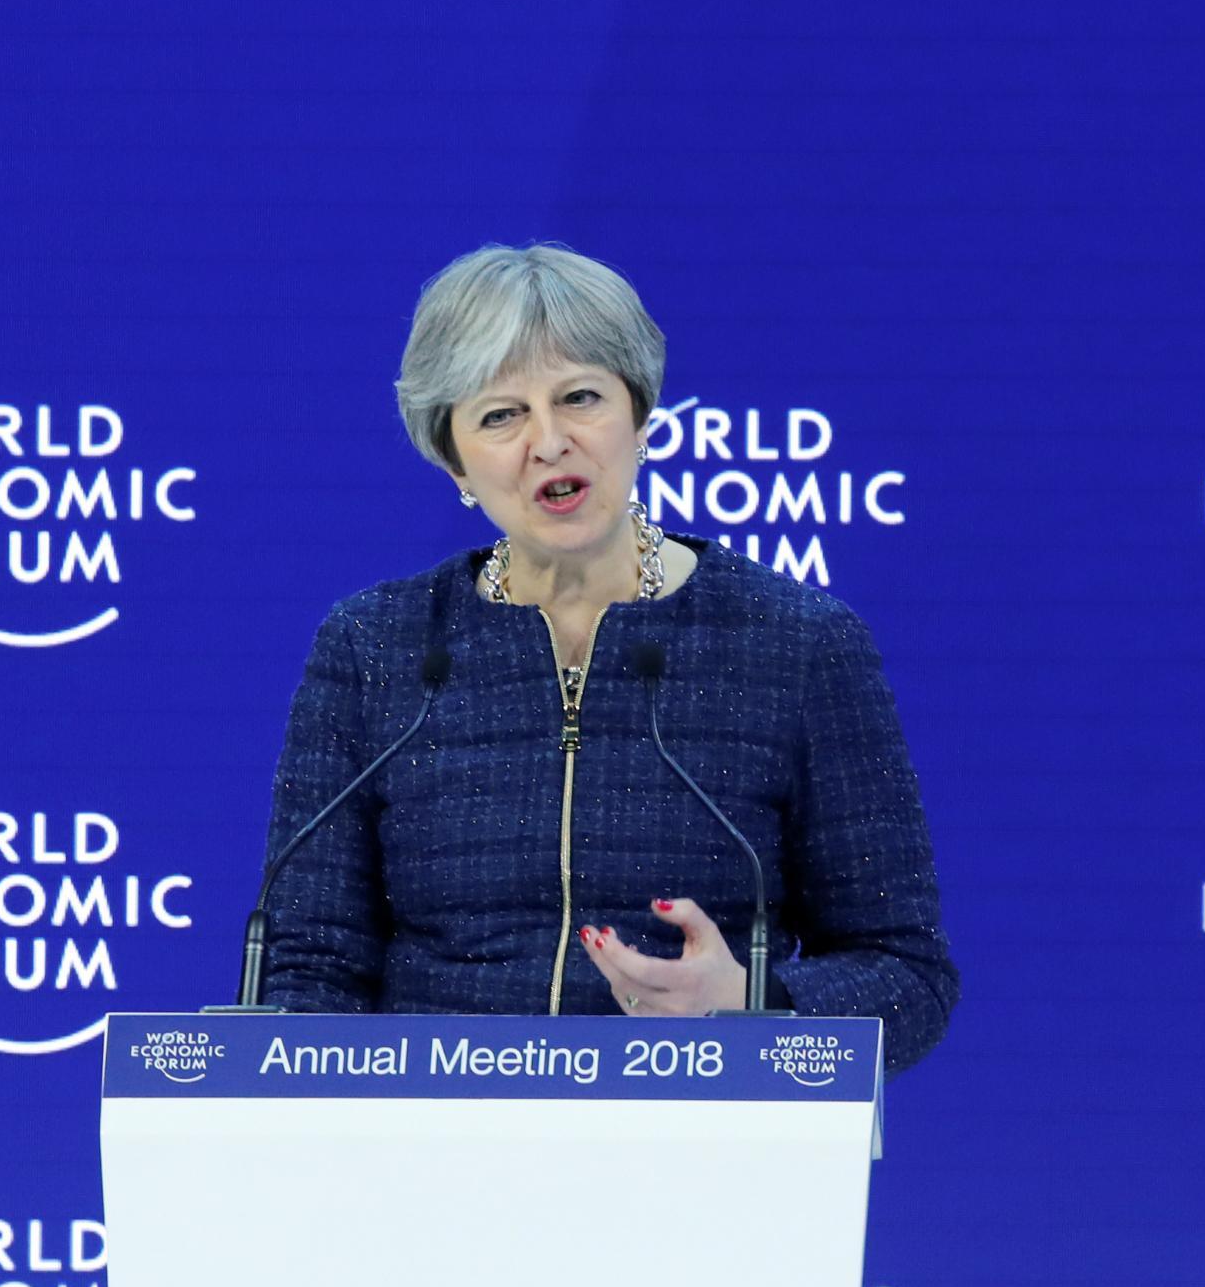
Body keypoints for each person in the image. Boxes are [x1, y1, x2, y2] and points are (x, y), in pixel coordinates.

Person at [262, 243, 957, 1073]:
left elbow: (906, 975)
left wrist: (755, 1002)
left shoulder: (798, 645)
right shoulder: (375, 646)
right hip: (433, 1132)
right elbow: (308, 966)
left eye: (580, 398)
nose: (549, 442)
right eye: (501, 416)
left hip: (698, 1129)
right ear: (454, 460)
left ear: (640, 414)